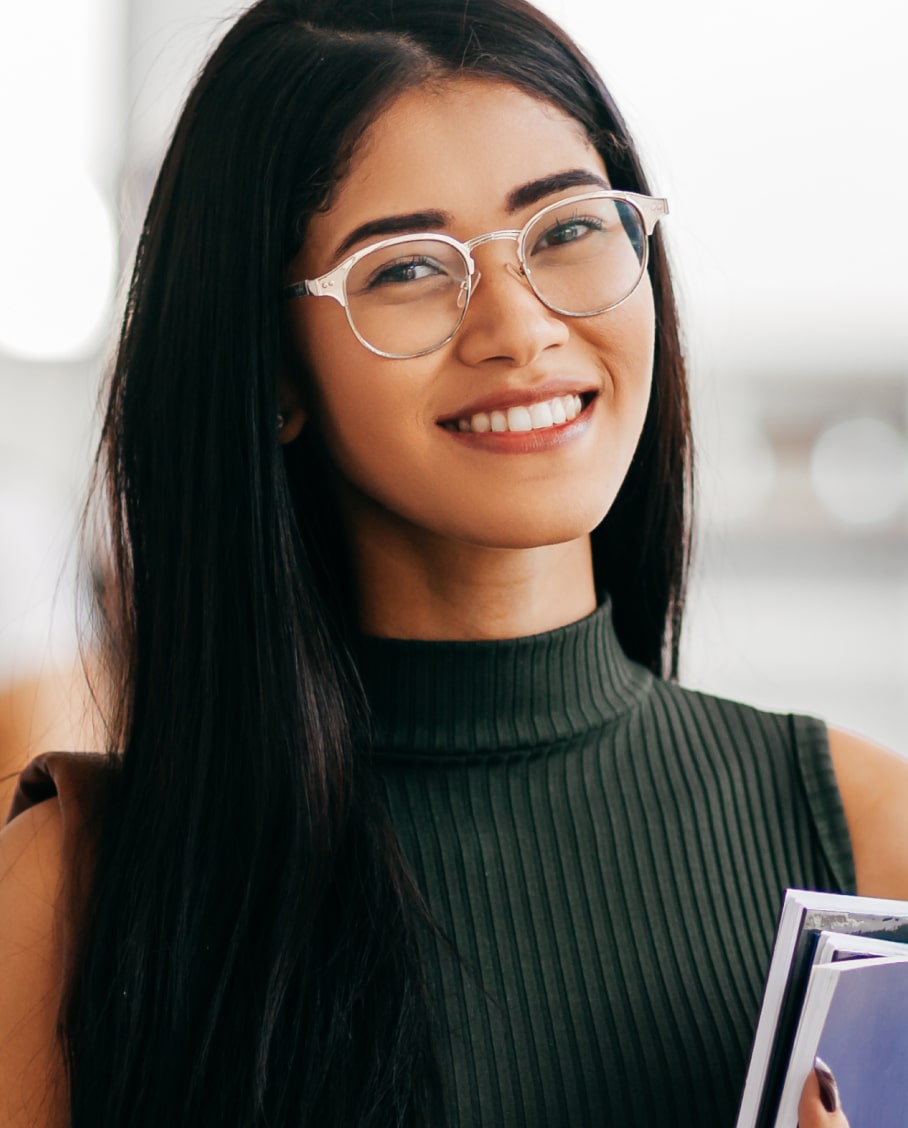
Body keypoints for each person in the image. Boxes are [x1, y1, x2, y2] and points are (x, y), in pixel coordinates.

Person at [0, 0, 905, 1124]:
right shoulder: (75, 892)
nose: (518, 328)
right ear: (269, 369)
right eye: (407, 269)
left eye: (569, 228)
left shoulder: (869, 840)